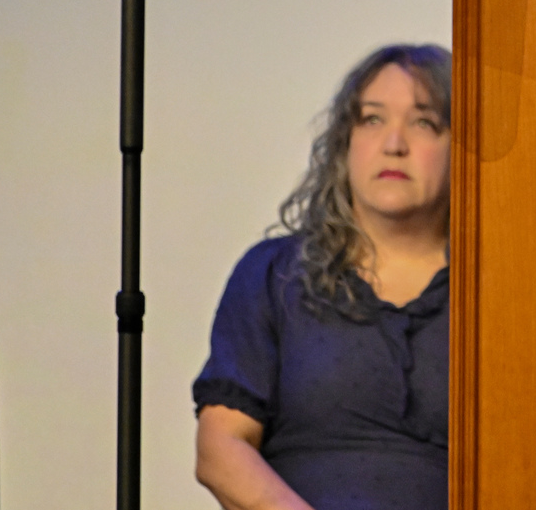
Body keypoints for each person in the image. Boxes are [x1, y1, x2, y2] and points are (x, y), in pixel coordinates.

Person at [193, 44, 452, 510]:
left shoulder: (497, 296)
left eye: (424, 122)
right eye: (372, 119)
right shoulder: (275, 275)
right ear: (344, 144)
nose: (395, 143)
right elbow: (220, 449)